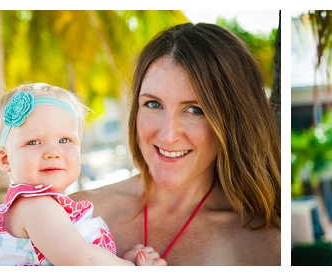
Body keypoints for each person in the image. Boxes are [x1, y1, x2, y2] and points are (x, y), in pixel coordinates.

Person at [70, 22, 281, 265]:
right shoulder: (80, 214)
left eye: (195, 109)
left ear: (233, 122)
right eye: (153, 104)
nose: (168, 135)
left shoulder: (265, 247)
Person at [0, 83, 166, 266]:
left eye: (65, 140)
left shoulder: (38, 206)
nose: (53, 152)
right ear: (5, 159)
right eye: (33, 142)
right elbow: (84, 261)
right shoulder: (35, 206)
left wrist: (119, 261)